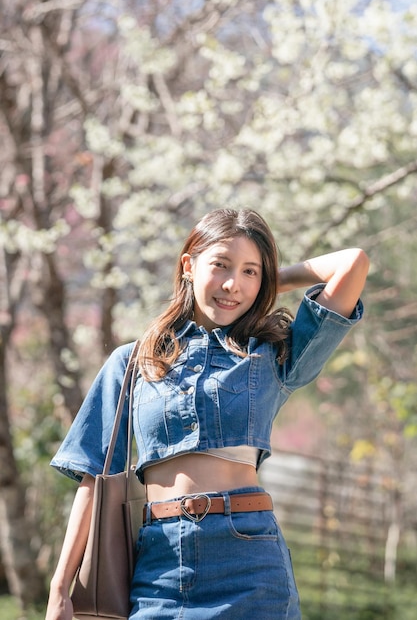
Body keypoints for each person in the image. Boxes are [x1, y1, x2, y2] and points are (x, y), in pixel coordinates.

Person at [45, 208, 369, 620]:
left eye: (251, 271)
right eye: (220, 265)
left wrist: (271, 282)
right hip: (158, 566)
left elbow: (353, 263)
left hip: (250, 561)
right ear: (188, 266)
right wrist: (60, 587)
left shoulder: (273, 354)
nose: (233, 284)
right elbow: (93, 476)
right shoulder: (132, 362)